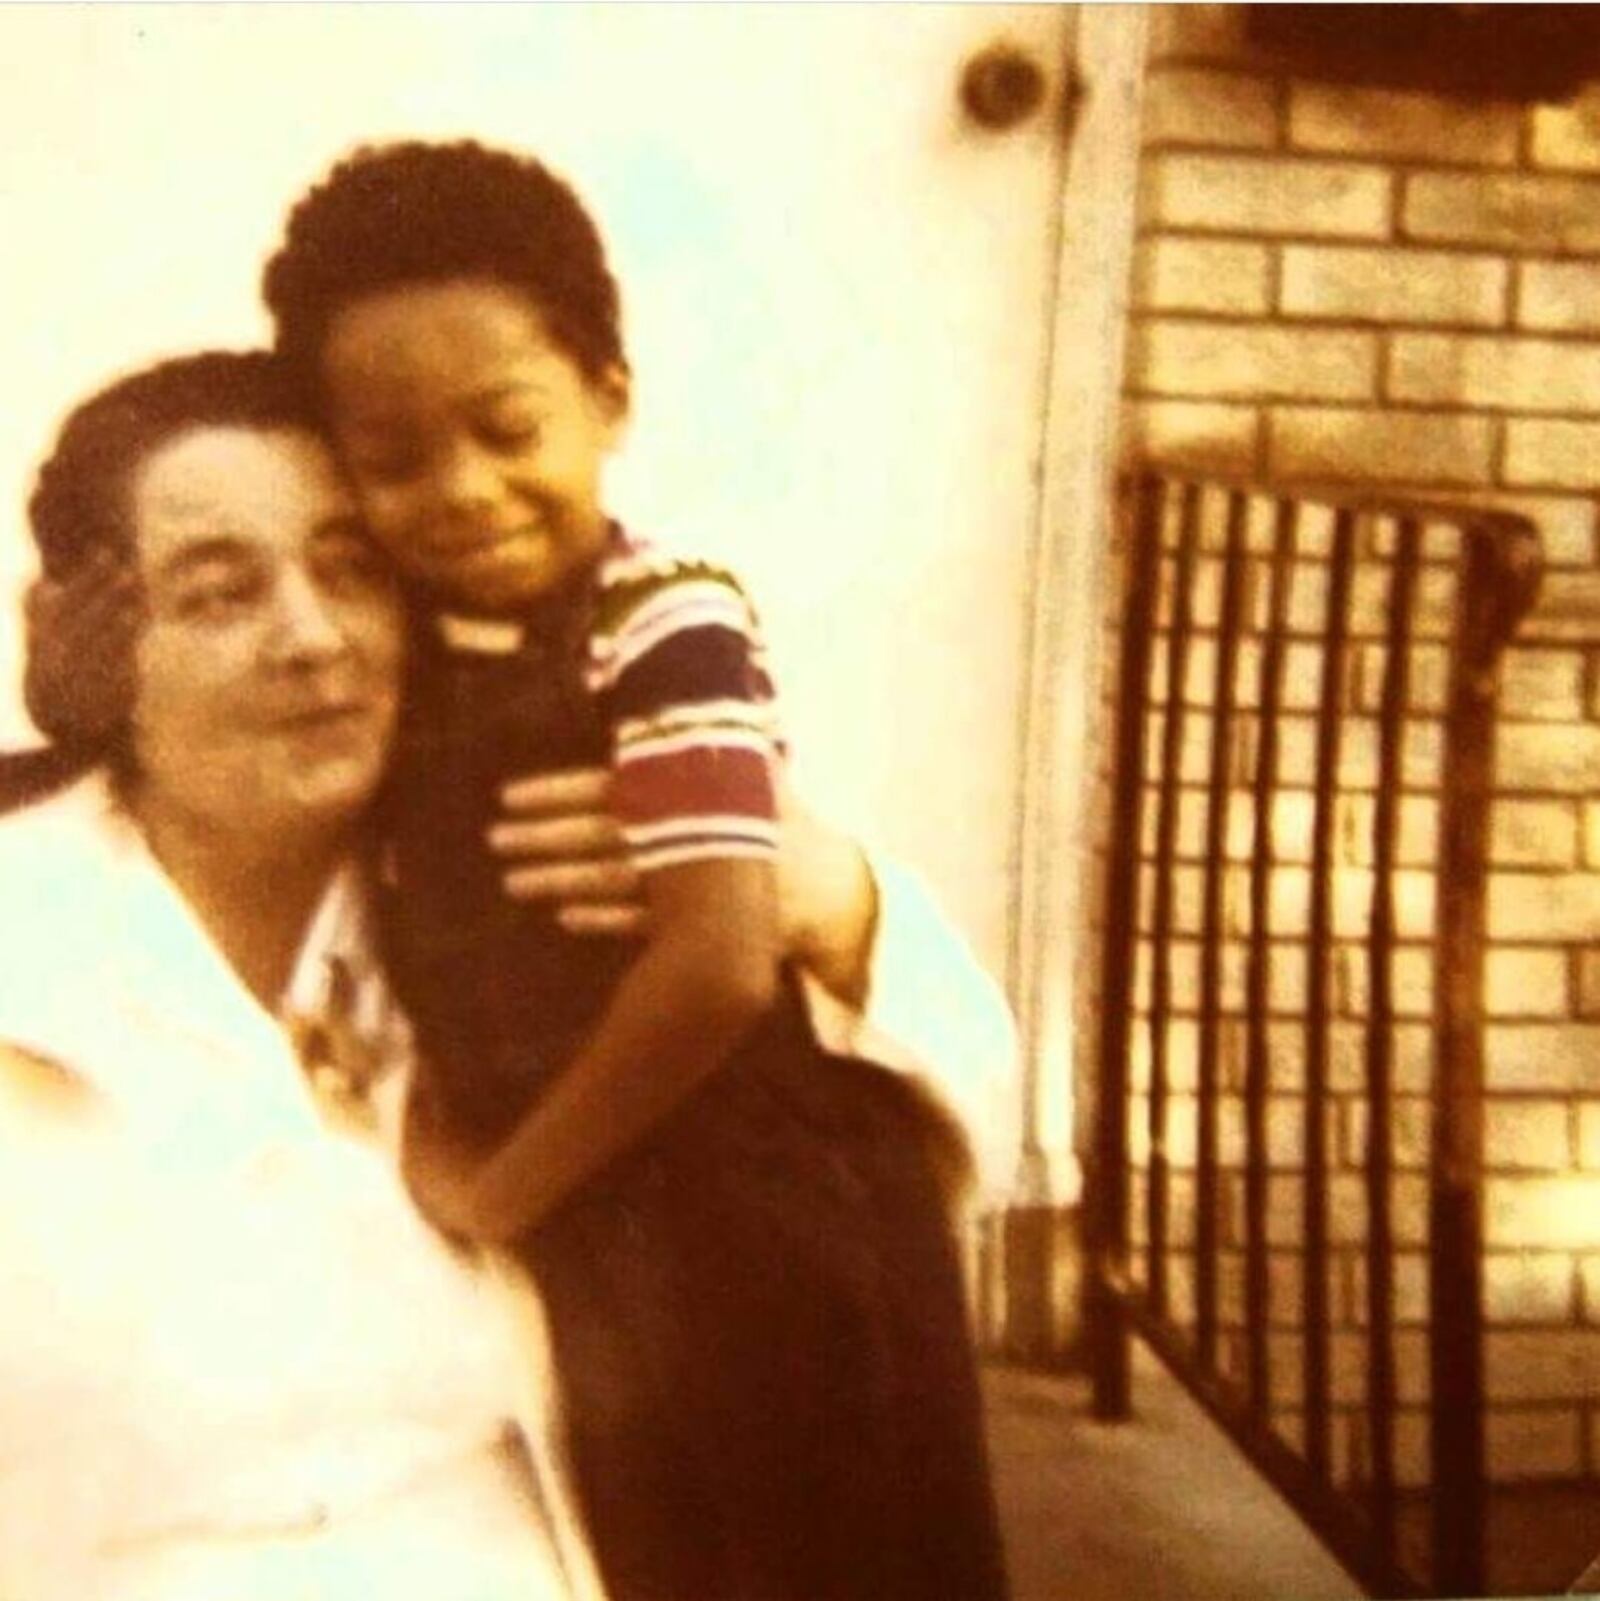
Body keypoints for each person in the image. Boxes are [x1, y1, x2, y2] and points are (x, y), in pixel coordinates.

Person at [1, 347, 1015, 1598]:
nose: (312, 638)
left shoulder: (523, 905)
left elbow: (989, 1125)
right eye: (219, 594)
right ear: (92, 645)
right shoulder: (29, 937)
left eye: (348, 570)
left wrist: (821, 892)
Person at [256, 138, 1009, 1601]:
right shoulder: (403, 645)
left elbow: (721, 961)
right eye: (393, 458)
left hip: (765, 1216)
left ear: (609, 398)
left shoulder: (668, 621)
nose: (461, 491)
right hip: (614, 1228)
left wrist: (496, 1193)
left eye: (507, 427)